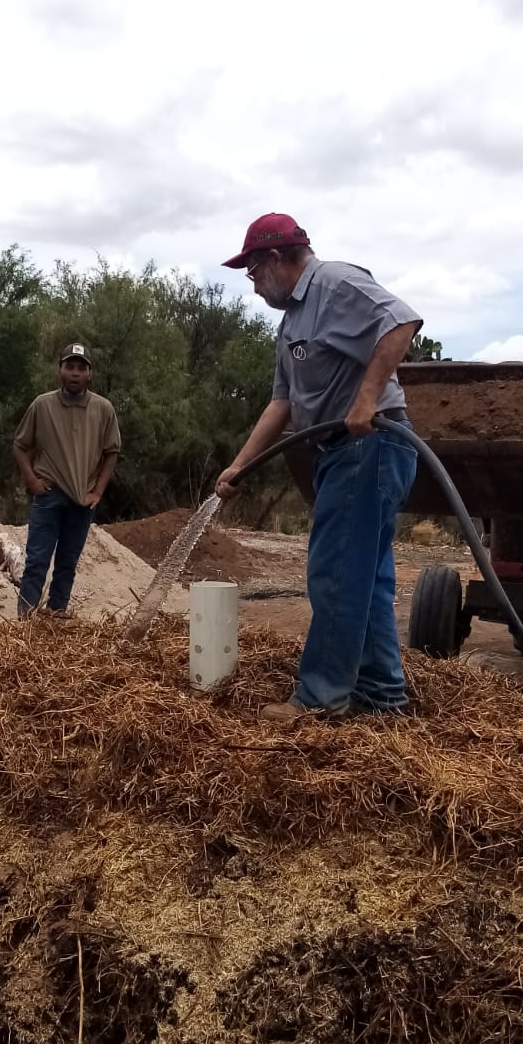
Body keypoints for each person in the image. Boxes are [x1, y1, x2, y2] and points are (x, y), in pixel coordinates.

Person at [215, 213, 422, 723]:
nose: (253, 284)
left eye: (252, 272)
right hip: (340, 454)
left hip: (369, 447)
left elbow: (402, 321)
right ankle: (381, 693)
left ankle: (320, 697)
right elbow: (280, 405)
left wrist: (367, 397)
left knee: (333, 574)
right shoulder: (290, 326)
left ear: (273, 259)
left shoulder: (335, 282)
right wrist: (238, 466)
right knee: (365, 578)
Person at [13, 343, 121, 617]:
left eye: (81, 368)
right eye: (69, 366)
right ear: (60, 369)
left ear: (89, 373)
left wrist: (98, 492)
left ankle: (56, 615)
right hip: (49, 495)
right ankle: (24, 621)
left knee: (67, 563)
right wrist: (32, 481)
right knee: (37, 561)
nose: (75, 373)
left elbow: (112, 452)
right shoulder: (42, 404)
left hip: (82, 500)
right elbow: (19, 445)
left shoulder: (103, 408)